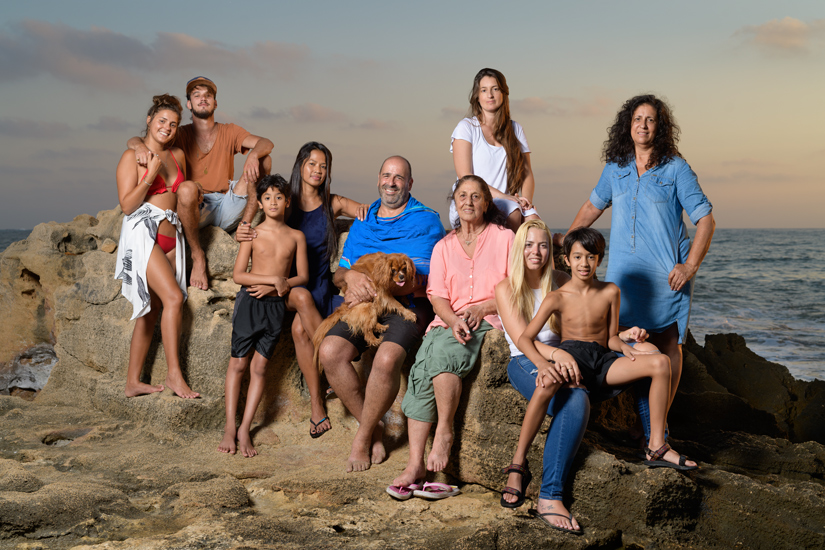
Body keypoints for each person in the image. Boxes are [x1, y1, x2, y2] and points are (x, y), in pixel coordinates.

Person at [564, 94, 715, 440]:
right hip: (623, 279)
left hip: (667, 281)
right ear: (627, 126)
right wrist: (569, 242)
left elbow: (705, 220)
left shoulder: (676, 168)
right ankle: (637, 424)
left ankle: (657, 430)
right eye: (637, 119)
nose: (643, 125)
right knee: (622, 344)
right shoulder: (615, 169)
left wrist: (689, 265)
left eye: (650, 119)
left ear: (660, 127)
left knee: (667, 351)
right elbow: (592, 207)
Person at [519, 227, 697, 475]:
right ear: (566, 259)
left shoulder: (611, 291)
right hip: (574, 359)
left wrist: (625, 348)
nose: (584, 263)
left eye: (591, 257)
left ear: (600, 259)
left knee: (661, 362)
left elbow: (610, 337)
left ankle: (656, 445)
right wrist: (544, 362)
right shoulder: (556, 297)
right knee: (548, 384)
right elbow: (525, 338)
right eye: (578, 257)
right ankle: (519, 461)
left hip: (603, 359)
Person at [317, 156, 445, 472]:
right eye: (386, 175)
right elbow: (339, 275)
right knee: (330, 352)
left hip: (407, 308)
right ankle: (372, 426)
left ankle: (361, 438)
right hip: (363, 307)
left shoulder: (426, 221)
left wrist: (373, 282)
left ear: (409, 184)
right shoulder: (363, 220)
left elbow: (420, 280)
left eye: (399, 177)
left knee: (387, 359)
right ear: (378, 180)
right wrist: (349, 278)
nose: (391, 182)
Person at [390, 175, 513, 493]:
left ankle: (444, 432)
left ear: (486, 203)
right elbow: (436, 295)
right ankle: (415, 463)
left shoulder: (504, 238)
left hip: (488, 320)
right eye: (462, 196)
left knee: (446, 353)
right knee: (420, 369)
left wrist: (484, 307)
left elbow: (517, 285)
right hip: (447, 320)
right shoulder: (444, 246)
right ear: (454, 202)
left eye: (476, 196)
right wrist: (451, 318)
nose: (469, 202)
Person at [236, 142, 367, 438]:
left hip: (317, 283)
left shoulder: (332, 203)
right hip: (285, 286)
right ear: (300, 166)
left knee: (298, 331)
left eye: (323, 166)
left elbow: (365, 211)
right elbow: (259, 221)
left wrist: (360, 214)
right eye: (312, 164)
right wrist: (244, 226)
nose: (317, 170)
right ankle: (333, 359)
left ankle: (317, 407)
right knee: (301, 300)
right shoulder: (286, 201)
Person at [128, 76, 274, 290]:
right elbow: (138, 139)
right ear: (189, 104)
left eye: (208, 95)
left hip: (227, 203)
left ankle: (245, 225)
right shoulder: (180, 132)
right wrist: (139, 148)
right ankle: (198, 256)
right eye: (196, 95)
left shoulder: (229, 131)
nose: (202, 99)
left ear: (215, 103)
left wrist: (253, 155)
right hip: (195, 205)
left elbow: (266, 143)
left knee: (264, 159)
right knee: (186, 189)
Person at [115, 94, 199, 399]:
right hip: (143, 235)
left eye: (174, 124)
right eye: (162, 120)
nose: (168, 127)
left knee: (149, 312)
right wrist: (149, 175)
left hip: (171, 236)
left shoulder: (178, 154)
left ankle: (132, 383)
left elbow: (181, 198)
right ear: (149, 121)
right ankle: (174, 376)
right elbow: (127, 205)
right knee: (174, 299)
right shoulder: (131, 157)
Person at [218, 175, 309, 457]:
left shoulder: (296, 236)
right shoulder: (253, 233)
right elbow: (238, 275)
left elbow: (302, 275)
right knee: (238, 365)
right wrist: (274, 279)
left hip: (274, 309)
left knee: (259, 369)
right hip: (250, 304)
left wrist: (284, 283)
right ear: (259, 202)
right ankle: (228, 428)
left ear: (288, 201)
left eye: (279, 197)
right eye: (267, 197)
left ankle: (245, 428)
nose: (273, 202)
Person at [451, 68, 539, 232]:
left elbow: (527, 173)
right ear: (477, 96)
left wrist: (525, 201)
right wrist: (506, 197)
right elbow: (466, 178)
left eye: (495, 89)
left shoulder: (515, 129)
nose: (490, 95)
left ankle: (555, 239)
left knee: (534, 220)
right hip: (473, 200)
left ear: (504, 93)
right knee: (513, 212)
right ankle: (509, 257)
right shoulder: (466, 128)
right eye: (484, 90)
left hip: (507, 202)